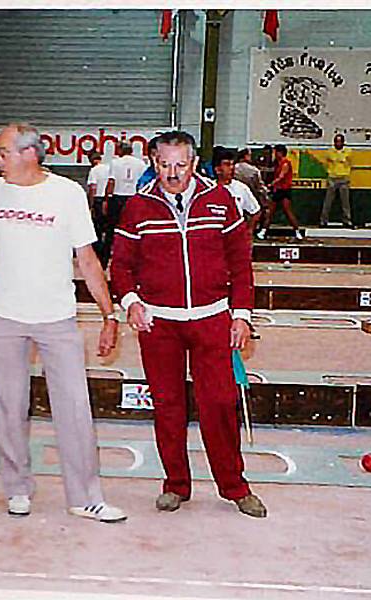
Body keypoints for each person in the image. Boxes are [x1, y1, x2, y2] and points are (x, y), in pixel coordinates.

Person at [0, 123, 126, 523]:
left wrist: (110, 315)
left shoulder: (67, 194)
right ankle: (17, 487)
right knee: (9, 406)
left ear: (29, 154)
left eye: (3, 151)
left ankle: (85, 496)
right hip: (2, 317)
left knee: (74, 407)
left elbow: (88, 260)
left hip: (56, 318)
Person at [110, 130, 267, 519]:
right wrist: (131, 302)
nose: (173, 173)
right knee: (167, 406)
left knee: (220, 404)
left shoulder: (220, 201)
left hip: (213, 319)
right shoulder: (137, 207)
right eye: (164, 165)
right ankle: (176, 484)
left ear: (194, 163)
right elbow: (122, 265)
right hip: (159, 324)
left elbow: (240, 265)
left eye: (181, 164)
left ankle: (235, 486)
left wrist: (242, 314)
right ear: (153, 163)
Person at [102, 142, 146, 265]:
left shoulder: (115, 163)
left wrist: (107, 198)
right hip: (133, 196)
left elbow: (111, 182)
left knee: (111, 229)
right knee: (135, 229)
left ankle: (105, 260)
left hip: (118, 197)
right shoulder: (140, 164)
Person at [256, 144, 303, 240]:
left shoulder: (285, 163)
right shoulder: (276, 163)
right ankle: (263, 232)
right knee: (270, 212)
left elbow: (281, 177)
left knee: (287, 211)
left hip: (284, 190)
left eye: (276, 152)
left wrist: (270, 184)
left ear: (280, 153)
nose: (275, 154)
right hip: (277, 190)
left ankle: (297, 232)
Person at [214, 147, 262, 229]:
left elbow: (255, 211)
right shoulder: (209, 188)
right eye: (227, 165)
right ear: (218, 169)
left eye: (233, 164)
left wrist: (248, 232)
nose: (231, 168)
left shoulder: (241, 188)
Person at [319, 133, 354, 228]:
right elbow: (325, 164)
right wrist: (329, 173)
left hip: (344, 178)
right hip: (332, 178)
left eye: (340, 141)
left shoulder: (348, 151)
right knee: (328, 201)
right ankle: (323, 220)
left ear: (343, 142)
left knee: (345, 202)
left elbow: (350, 164)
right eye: (336, 141)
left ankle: (347, 220)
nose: (338, 143)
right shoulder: (329, 152)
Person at [234, 147, 270, 231]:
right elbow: (259, 186)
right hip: (252, 196)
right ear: (245, 156)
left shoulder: (233, 168)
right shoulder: (254, 170)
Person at [85, 150, 110, 266]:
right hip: (108, 199)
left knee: (97, 228)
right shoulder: (108, 168)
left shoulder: (94, 171)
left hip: (98, 200)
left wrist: (90, 204)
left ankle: (98, 253)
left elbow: (92, 188)